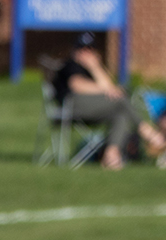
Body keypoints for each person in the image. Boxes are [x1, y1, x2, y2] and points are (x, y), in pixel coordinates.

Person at [51, 32, 140, 170]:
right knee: (121, 100)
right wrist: (106, 90)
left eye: (90, 49)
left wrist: (95, 68)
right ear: (75, 50)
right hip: (71, 108)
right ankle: (147, 132)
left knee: (121, 115)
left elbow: (110, 90)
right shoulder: (70, 65)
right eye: (82, 49)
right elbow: (77, 85)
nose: (86, 53)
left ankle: (111, 156)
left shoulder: (92, 69)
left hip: (93, 111)